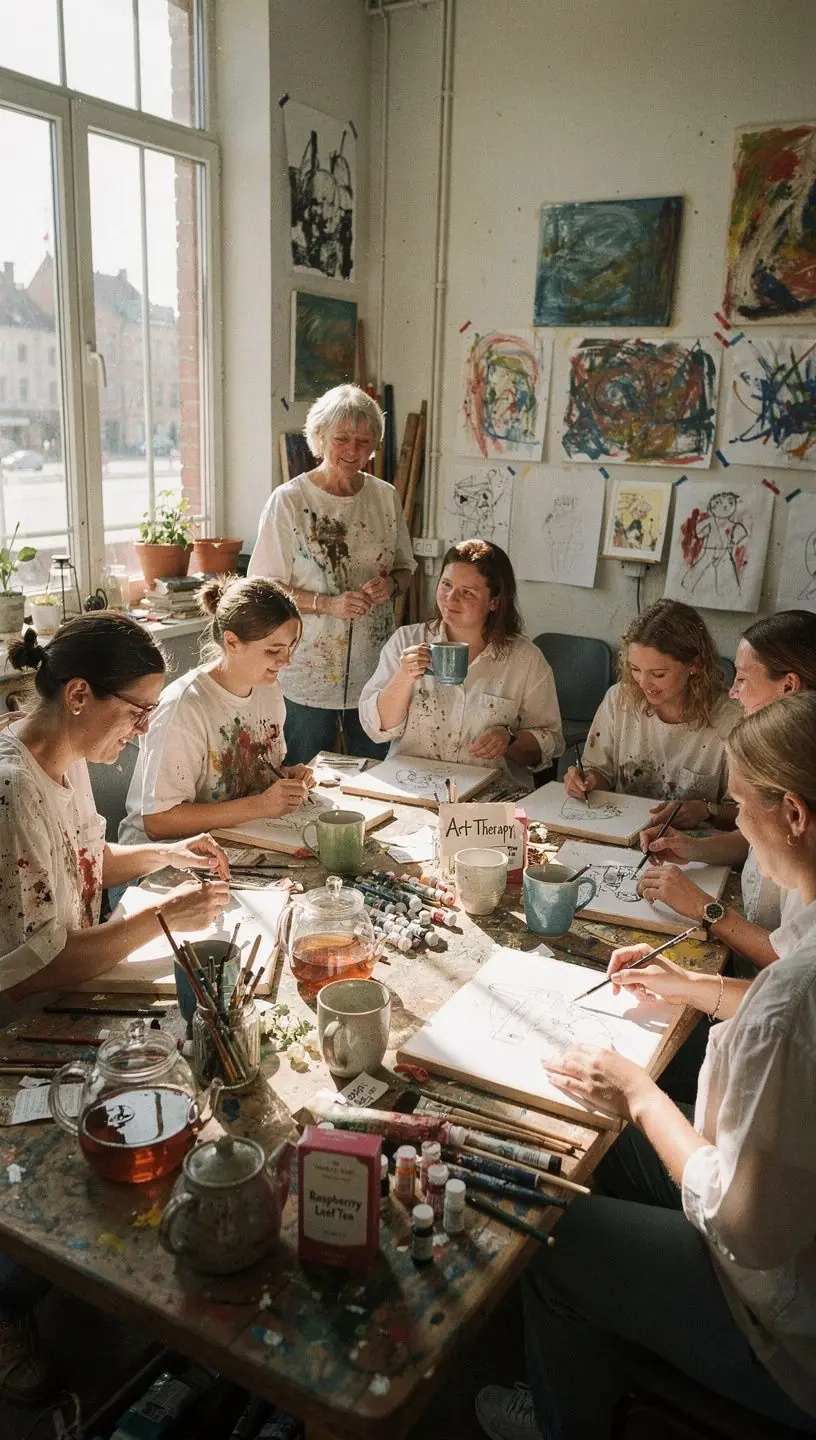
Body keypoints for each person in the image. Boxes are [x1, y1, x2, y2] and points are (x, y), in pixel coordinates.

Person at [477, 692, 816, 1440]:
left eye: (738, 809)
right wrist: (685, 985)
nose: (737, 831)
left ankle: (567, 1413)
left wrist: (636, 1092)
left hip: (785, 1318)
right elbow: (771, 1002)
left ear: (792, 813)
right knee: (587, 1140)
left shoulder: (796, 998)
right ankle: (604, 1333)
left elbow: (746, 1227)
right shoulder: (804, 943)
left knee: (550, 1232)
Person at [0, 615, 229, 1404]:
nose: (138, 734)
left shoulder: (59, 764)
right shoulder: (9, 787)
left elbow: (85, 860)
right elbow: (32, 968)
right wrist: (164, 917)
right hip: (18, 1024)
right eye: (135, 713)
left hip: (66, 991)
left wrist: (165, 855)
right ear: (76, 693)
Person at [637, 610, 816, 971]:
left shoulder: (799, 772)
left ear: (788, 686)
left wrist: (705, 907)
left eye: (744, 679)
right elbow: (759, 838)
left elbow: (795, 965)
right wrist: (696, 849)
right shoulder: (783, 755)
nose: (733, 693)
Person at [247, 384, 416, 765]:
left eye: (364, 441)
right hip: (306, 669)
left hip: (375, 670)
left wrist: (390, 585)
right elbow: (263, 587)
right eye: (341, 439)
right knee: (301, 779)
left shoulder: (385, 497)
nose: (353, 451)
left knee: (374, 777)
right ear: (320, 438)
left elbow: (407, 570)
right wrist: (327, 604)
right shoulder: (290, 501)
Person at [120, 576, 313, 845]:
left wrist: (283, 778)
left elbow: (252, 773)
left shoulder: (268, 690)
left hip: (233, 838)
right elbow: (157, 822)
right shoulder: (184, 707)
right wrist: (262, 805)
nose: (287, 661)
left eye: (291, 647)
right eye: (273, 650)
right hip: (161, 858)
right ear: (232, 642)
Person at [358, 539, 563, 785]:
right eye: (446, 585)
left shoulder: (525, 659)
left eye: (467, 592)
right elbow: (376, 729)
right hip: (411, 785)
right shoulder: (407, 640)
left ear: (495, 601)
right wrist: (403, 676)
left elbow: (549, 743)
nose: (450, 599)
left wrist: (509, 739)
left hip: (489, 796)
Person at [563, 598, 738, 812]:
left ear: (694, 665)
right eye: (635, 669)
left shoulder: (731, 719)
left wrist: (707, 811)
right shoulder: (620, 699)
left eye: (658, 674)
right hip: (621, 827)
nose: (644, 684)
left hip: (694, 840)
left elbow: (745, 812)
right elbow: (600, 774)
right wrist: (586, 781)